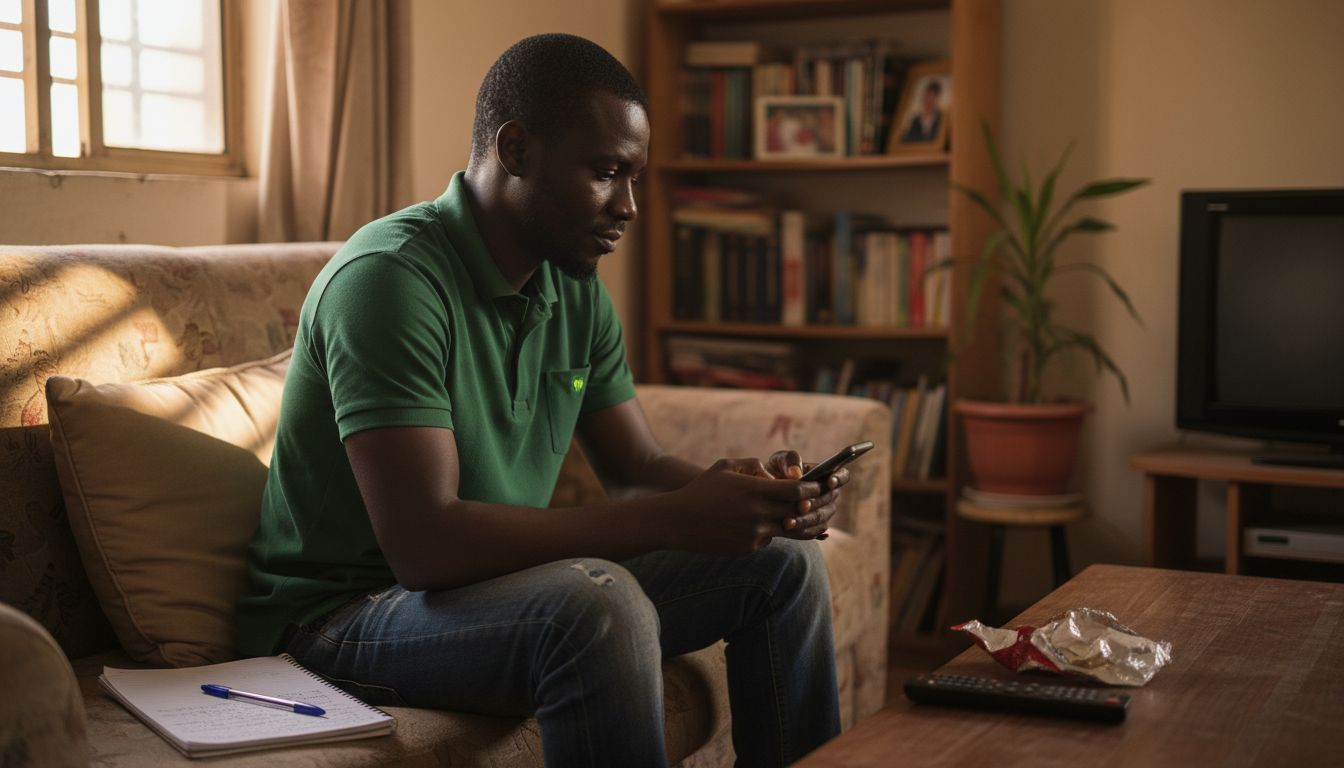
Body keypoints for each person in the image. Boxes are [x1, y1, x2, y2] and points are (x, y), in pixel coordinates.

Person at [235, 33, 847, 768]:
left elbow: (637, 462)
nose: (628, 206)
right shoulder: (390, 281)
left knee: (784, 563)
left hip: (484, 589)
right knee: (596, 606)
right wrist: (677, 519)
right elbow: (424, 546)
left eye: (635, 178)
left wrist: (753, 499)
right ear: (517, 150)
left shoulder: (574, 285)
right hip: (344, 619)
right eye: (606, 172)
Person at [900, 78, 943, 143]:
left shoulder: (941, 118)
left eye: (932, 97)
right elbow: (906, 140)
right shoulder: (915, 120)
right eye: (927, 96)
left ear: (937, 99)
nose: (928, 101)